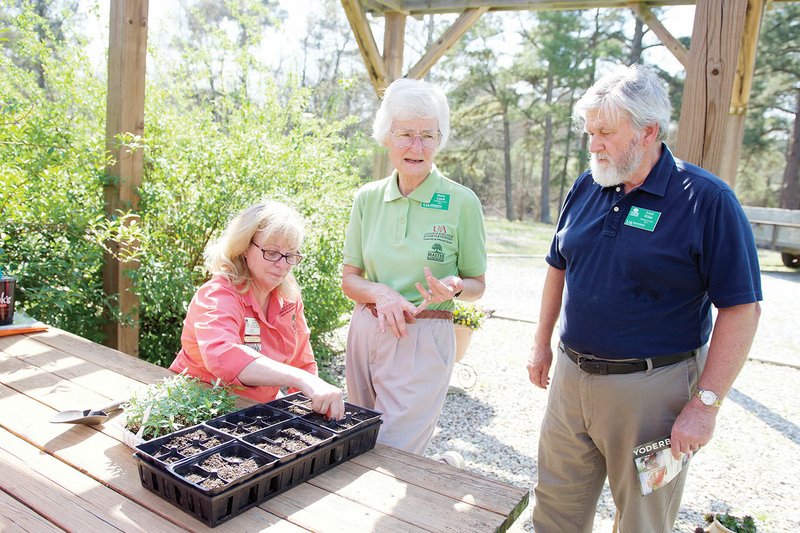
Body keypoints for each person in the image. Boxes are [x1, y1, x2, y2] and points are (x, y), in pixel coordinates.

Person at [527, 65, 762, 533]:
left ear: (648, 131)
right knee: (554, 509)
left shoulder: (707, 200)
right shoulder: (588, 184)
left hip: (653, 392)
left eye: (606, 133)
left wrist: (705, 405)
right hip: (572, 379)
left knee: (641, 521)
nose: (593, 144)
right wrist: (541, 343)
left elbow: (741, 308)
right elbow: (558, 264)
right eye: (590, 132)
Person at [341, 78, 487, 456]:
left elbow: (477, 284)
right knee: (358, 443)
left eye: (428, 135)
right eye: (406, 133)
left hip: (422, 333)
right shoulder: (367, 198)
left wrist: (455, 286)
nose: (417, 147)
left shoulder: (462, 202)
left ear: (440, 140)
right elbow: (350, 279)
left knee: (394, 453)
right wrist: (380, 292)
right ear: (385, 136)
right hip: (365, 329)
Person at [170, 200, 344, 419]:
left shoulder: (288, 298)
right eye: (271, 252)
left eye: (291, 255)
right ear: (244, 248)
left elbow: (303, 362)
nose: (283, 265)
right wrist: (300, 379)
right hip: (197, 411)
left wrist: (313, 406)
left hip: (254, 416)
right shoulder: (219, 294)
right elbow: (223, 356)